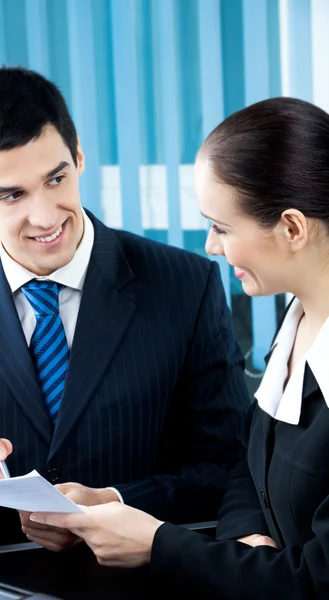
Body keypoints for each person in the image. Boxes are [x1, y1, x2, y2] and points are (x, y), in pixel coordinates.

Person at [0, 67, 249, 553]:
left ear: (78, 154)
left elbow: (230, 470)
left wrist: (116, 501)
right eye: (12, 195)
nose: (47, 217)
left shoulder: (186, 285)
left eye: (57, 178)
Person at [30, 96, 329, 599]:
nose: (211, 246)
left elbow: (316, 580)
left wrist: (158, 544)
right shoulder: (296, 320)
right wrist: (241, 544)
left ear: (292, 228)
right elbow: (247, 471)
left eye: (222, 228)